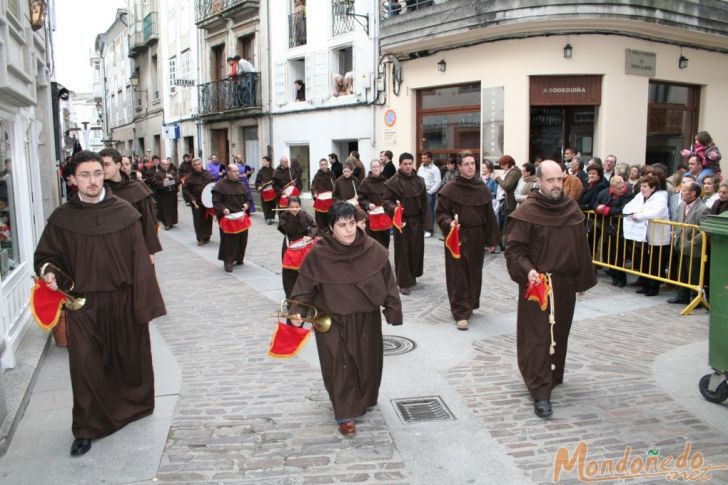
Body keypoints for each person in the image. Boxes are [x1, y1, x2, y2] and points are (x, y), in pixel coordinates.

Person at [34, 150, 166, 456]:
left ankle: (131, 409)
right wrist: (51, 273)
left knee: (127, 359)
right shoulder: (62, 219)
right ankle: (86, 428)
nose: (92, 181)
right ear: (71, 180)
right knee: (85, 366)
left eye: (96, 173)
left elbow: (140, 263)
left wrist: (143, 304)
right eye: (84, 175)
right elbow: (46, 257)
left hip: (123, 300)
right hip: (83, 304)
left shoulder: (124, 211)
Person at [289, 202, 402, 437]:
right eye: (342, 225)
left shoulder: (373, 248)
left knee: (367, 362)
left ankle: (364, 398)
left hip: (365, 317)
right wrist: (297, 311)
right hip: (331, 319)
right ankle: (345, 412)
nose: (349, 230)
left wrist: (392, 308)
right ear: (331, 227)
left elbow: (388, 280)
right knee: (338, 364)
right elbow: (304, 286)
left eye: (352, 223)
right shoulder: (318, 254)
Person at [505, 160, 597, 419]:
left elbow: (581, 246)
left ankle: (553, 375)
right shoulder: (528, 211)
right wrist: (529, 270)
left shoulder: (571, 208)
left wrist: (582, 280)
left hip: (565, 283)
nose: (557, 185)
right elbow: (515, 250)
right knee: (537, 337)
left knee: (559, 332)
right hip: (537, 284)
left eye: (560, 179)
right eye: (551, 180)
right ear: (539, 181)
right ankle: (539, 390)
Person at [436, 152, 500, 330]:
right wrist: (449, 223)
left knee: (474, 272)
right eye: (466, 164)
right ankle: (460, 312)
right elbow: (441, 213)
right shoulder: (450, 188)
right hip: (456, 236)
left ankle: (469, 304)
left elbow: (489, 215)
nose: (471, 167)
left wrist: (490, 238)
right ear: (459, 166)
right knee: (457, 274)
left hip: (477, 236)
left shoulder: (481, 187)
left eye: (473, 163)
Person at [99, 148, 162, 261]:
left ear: (118, 165)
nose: (103, 169)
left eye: (106, 164)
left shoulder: (136, 188)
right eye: (100, 165)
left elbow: (148, 221)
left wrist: (150, 251)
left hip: (135, 245)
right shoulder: (99, 191)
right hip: (107, 249)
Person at [383, 152, 428, 295]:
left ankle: (412, 276)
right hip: (401, 221)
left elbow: (425, 202)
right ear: (400, 165)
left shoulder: (420, 181)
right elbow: (386, 201)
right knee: (403, 251)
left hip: (417, 220)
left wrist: (426, 222)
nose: (408, 167)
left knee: (416, 249)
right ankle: (403, 282)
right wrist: (394, 209)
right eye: (405, 164)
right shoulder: (392, 182)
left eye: (410, 164)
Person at [622, 173, 671, 297]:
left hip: (657, 234)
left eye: (645, 186)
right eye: (642, 186)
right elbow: (628, 207)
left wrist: (638, 215)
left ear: (653, 188)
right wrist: (633, 213)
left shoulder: (661, 197)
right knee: (644, 260)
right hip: (643, 234)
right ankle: (644, 284)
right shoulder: (640, 195)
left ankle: (653, 288)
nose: (642, 188)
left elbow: (657, 212)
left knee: (655, 261)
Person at [212, 164, 253, 272]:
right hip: (227, 217)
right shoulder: (220, 185)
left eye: (238, 171)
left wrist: (246, 205)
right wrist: (223, 209)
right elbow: (216, 201)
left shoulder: (242, 185)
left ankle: (239, 258)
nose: (238, 173)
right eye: (235, 171)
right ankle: (228, 261)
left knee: (242, 238)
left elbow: (248, 198)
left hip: (240, 216)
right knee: (228, 240)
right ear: (228, 172)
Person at [593, 176, 633, 287]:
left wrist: (606, 210)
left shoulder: (628, 195)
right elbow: (595, 204)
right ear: (612, 188)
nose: (622, 190)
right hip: (606, 227)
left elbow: (622, 210)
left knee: (618, 254)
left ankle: (621, 279)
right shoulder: (604, 193)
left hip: (619, 228)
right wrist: (597, 208)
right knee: (608, 253)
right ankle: (614, 276)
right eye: (619, 188)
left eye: (622, 187)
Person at [278, 196, 316, 298]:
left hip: (304, 246)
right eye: (292, 207)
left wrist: (310, 236)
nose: (294, 209)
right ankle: (290, 298)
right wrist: (294, 217)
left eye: (297, 206)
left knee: (304, 271)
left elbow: (314, 226)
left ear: (300, 206)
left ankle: (304, 297)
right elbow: (289, 230)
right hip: (289, 245)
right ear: (287, 207)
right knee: (289, 273)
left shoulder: (304, 214)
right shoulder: (284, 216)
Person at [357, 159, 391, 249]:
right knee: (373, 240)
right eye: (374, 167)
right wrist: (368, 204)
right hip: (372, 216)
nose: (376, 168)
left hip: (384, 214)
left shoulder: (386, 181)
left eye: (377, 166)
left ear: (381, 168)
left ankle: (384, 258)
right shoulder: (365, 182)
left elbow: (390, 197)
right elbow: (361, 198)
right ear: (371, 168)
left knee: (385, 239)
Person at [182, 157, 214, 246]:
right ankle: (200, 238)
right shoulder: (189, 177)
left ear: (201, 164)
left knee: (207, 218)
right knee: (198, 220)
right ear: (193, 166)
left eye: (199, 164)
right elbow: (185, 189)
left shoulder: (207, 174)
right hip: (196, 202)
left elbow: (212, 185)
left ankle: (207, 235)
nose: (197, 166)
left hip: (207, 201)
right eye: (195, 165)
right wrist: (191, 198)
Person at [494, 155, 520, 246]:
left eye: (502, 164)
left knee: (508, 224)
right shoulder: (511, 172)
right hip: (507, 201)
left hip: (511, 202)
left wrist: (497, 178)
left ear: (508, 164)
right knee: (505, 224)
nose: (501, 167)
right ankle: (503, 243)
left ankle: (506, 244)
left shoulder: (514, 173)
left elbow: (507, 186)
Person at [417, 151, 442, 238]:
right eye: (422, 158)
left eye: (424, 158)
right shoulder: (421, 168)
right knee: (420, 210)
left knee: (429, 211)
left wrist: (430, 192)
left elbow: (438, 182)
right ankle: (422, 228)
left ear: (430, 159)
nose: (422, 160)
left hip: (429, 192)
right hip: (420, 192)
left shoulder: (435, 169)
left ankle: (429, 230)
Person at [151, 157, 180, 230]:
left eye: (167, 164)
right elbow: (154, 182)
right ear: (161, 165)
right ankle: (167, 223)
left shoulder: (172, 172)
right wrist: (164, 182)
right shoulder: (158, 173)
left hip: (172, 193)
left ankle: (172, 221)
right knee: (165, 209)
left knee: (173, 207)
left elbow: (178, 180)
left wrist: (171, 179)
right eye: (164, 164)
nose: (165, 165)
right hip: (163, 194)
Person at [311, 158, 336, 229]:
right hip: (321, 202)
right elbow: (313, 187)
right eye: (322, 164)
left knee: (330, 219)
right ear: (320, 166)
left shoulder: (331, 174)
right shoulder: (317, 176)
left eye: (325, 164)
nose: (323, 166)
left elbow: (335, 186)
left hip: (330, 201)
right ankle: (321, 234)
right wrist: (315, 193)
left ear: (327, 165)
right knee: (321, 221)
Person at [255, 155, 276, 224]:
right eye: (262, 161)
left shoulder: (273, 171)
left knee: (272, 204)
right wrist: (258, 186)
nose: (263, 162)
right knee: (265, 205)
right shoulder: (260, 171)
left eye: (264, 161)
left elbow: (275, 181)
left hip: (272, 190)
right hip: (264, 191)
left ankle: (271, 217)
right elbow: (257, 181)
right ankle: (267, 217)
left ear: (268, 162)